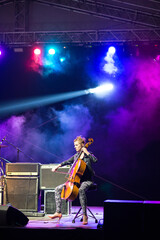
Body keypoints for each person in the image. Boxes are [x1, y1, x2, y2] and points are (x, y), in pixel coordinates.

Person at [49, 136, 98, 225]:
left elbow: (95, 160)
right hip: (76, 181)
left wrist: (86, 152)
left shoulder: (88, 154)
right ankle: (58, 212)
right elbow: (67, 161)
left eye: (76, 145)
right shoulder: (76, 156)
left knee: (81, 190)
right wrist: (57, 166)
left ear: (82, 145)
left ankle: (84, 215)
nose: (75, 147)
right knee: (57, 189)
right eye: (74, 145)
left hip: (87, 181)